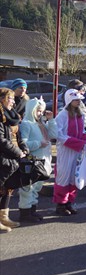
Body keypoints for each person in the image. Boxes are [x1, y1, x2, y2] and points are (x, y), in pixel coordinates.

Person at [18, 98, 57, 223]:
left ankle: (32, 211)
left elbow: (53, 135)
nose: (40, 113)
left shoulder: (40, 124)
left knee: (36, 188)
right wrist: (38, 143)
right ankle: (25, 212)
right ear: (32, 110)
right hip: (31, 162)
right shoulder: (26, 124)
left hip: (42, 162)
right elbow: (23, 143)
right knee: (27, 188)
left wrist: (51, 120)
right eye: (38, 111)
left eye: (41, 111)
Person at [53, 89, 86, 216]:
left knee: (74, 176)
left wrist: (85, 140)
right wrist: (74, 142)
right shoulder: (62, 115)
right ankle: (60, 204)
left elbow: (83, 130)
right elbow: (58, 134)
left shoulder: (80, 114)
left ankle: (69, 202)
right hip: (66, 150)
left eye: (79, 99)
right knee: (63, 175)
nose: (78, 101)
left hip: (77, 150)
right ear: (69, 100)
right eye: (76, 99)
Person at [0, 88, 27, 232]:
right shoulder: (1, 116)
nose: (13, 101)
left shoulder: (12, 115)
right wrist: (17, 152)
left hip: (13, 158)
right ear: (3, 99)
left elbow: (18, 135)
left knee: (8, 188)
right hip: (3, 157)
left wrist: (24, 148)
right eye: (10, 99)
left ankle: (3, 216)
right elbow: (1, 140)